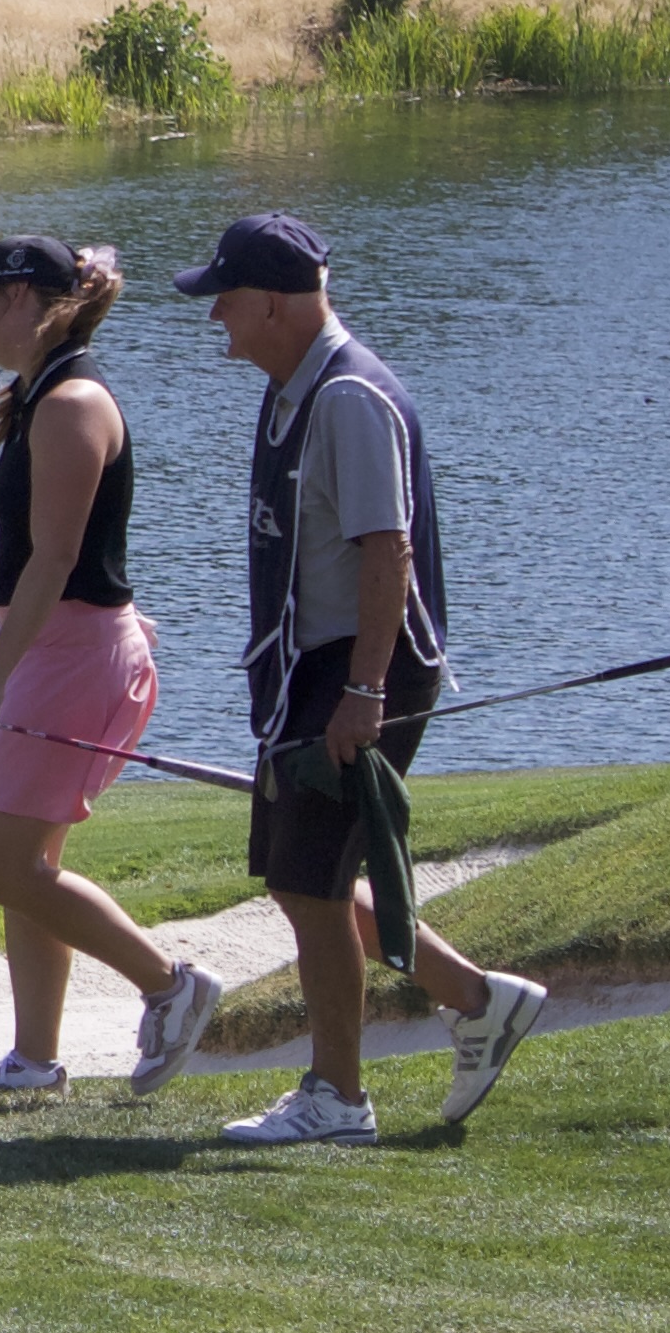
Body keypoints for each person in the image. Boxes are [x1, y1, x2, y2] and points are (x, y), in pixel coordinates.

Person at [174, 211, 547, 1144]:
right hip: (314, 666)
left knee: (309, 882)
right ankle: (476, 1000)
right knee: (310, 878)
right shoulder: (293, 389)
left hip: (356, 667)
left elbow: (389, 553)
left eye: (225, 297)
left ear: (272, 301)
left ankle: (337, 1099)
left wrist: (365, 691)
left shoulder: (345, 398)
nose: (214, 312)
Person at [0, 235, 223, 1098]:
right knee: (27, 865)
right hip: (59, 651)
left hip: (63, 655)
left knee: (4, 864)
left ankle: (171, 985)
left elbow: (53, 560)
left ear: (20, 298)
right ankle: (33, 1058)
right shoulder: (39, 396)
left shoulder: (69, 402)